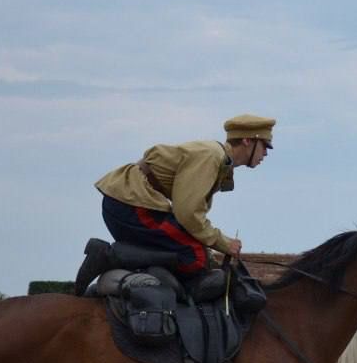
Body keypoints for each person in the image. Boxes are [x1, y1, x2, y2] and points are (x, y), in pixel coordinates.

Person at [74, 113, 275, 295]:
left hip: (127, 201)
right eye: (265, 145)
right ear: (248, 141)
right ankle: (109, 257)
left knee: (195, 254)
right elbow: (187, 214)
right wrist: (224, 243)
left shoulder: (220, 161)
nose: (266, 153)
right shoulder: (212, 156)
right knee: (195, 257)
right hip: (132, 203)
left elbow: (192, 217)